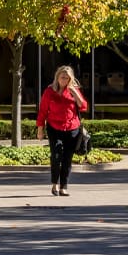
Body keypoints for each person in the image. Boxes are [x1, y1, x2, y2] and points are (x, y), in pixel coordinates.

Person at [36, 65, 88, 197]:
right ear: (57, 77)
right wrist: (40, 129)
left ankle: (64, 186)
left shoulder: (74, 90)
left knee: (67, 158)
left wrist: (75, 92)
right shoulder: (49, 91)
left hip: (72, 128)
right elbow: (42, 111)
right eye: (62, 76)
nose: (64, 79)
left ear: (71, 79)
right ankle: (54, 184)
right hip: (54, 127)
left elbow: (83, 107)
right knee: (56, 155)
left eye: (67, 77)